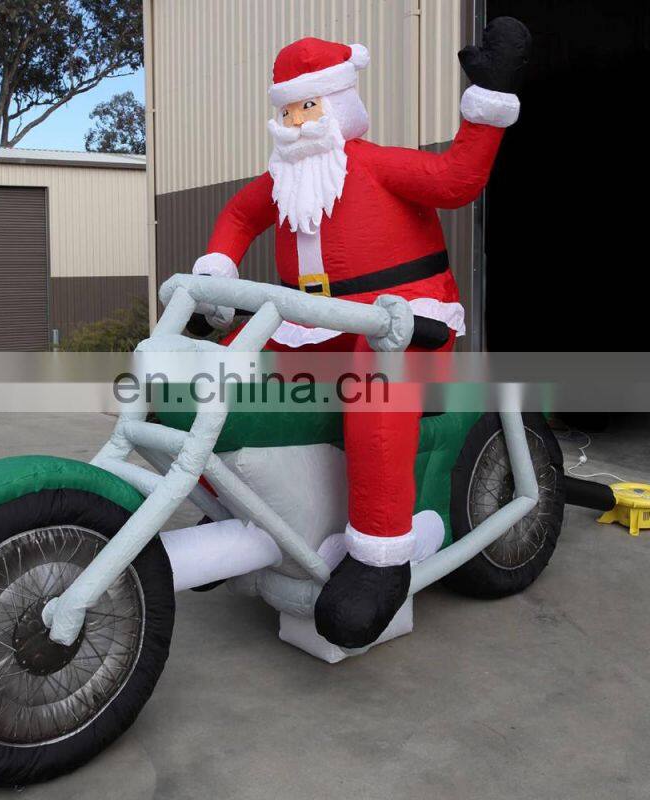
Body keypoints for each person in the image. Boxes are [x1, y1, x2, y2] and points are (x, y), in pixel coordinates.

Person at [192, 19, 531, 648]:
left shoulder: (375, 166)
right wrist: (216, 269)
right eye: (288, 110)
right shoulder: (282, 182)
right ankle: (226, 508)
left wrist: (487, 100)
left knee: (377, 383)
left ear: (339, 105)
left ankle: (380, 556)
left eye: (309, 107)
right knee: (204, 375)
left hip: (402, 317)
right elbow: (238, 215)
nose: (297, 122)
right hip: (310, 321)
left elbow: (456, 180)